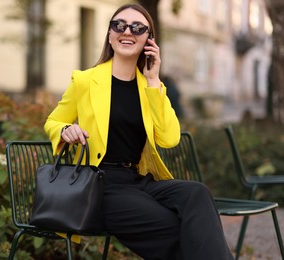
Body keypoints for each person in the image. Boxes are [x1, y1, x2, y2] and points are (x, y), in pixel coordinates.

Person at [44, 3, 234, 259]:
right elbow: (53, 121)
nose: (127, 32)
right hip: (101, 185)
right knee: (176, 227)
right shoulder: (85, 81)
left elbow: (169, 138)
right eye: (119, 25)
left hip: (138, 180)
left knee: (197, 193)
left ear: (148, 40)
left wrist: (154, 81)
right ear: (110, 36)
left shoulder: (150, 86)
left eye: (138, 27)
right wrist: (65, 129)